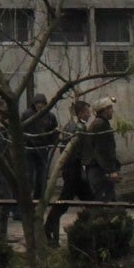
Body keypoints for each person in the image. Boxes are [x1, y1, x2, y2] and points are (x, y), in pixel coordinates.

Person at [44, 98, 94, 246]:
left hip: (73, 170)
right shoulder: (77, 128)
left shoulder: (71, 126)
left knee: (89, 201)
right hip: (73, 171)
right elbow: (76, 151)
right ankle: (49, 228)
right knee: (64, 202)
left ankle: (78, 227)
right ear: (81, 113)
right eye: (87, 112)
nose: (89, 114)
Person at [23, 93, 60, 217]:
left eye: (42, 103)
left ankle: (38, 202)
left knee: (41, 178)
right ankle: (28, 204)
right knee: (29, 178)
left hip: (43, 150)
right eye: (37, 103)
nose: (39, 106)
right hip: (29, 150)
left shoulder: (50, 116)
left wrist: (50, 144)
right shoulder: (27, 115)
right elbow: (21, 130)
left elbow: (54, 132)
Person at [81, 97, 122, 202]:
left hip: (98, 169)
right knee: (104, 202)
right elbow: (102, 151)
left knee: (108, 201)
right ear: (104, 110)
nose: (112, 111)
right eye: (110, 108)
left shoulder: (100, 123)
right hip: (98, 170)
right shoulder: (100, 124)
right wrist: (111, 171)